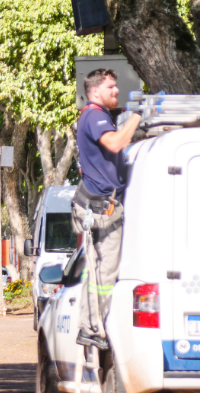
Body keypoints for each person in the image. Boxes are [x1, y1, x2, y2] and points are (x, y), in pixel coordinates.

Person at [72, 68, 141, 350]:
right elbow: (114, 142)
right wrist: (138, 115)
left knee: (100, 269)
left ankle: (92, 325)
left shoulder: (97, 117)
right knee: (104, 271)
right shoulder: (94, 115)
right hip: (100, 209)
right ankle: (90, 328)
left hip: (99, 206)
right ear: (96, 91)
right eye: (111, 87)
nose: (116, 90)